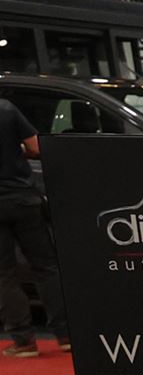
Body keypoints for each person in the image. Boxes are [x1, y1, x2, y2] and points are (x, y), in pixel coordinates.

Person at [0, 96, 66, 359]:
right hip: (23, 199)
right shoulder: (7, 109)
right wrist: (16, 150)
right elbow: (36, 147)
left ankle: (23, 340)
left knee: (4, 274)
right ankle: (66, 335)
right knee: (46, 266)